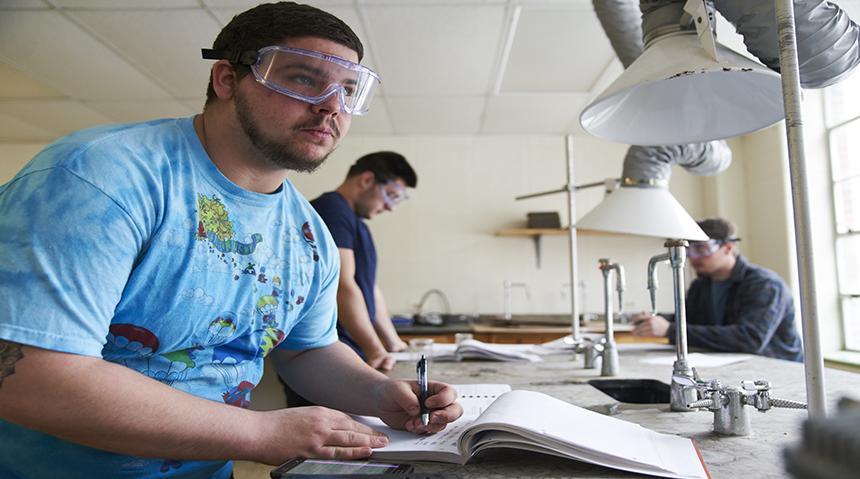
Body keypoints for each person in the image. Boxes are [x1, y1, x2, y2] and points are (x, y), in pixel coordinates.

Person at [0, 3, 462, 478]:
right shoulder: (100, 177)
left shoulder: (309, 235)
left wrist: (380, 393)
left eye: (348, 89)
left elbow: (306, 351)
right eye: (304, 78)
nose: (331, 105)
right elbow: (28, 378)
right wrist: (260, 433)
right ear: (227, 79)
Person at [631, 217, 804, 362]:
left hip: (777, 370)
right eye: (689, 250)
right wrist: (656, 320)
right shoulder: (701, 285)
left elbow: (750, 338)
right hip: (732, 367)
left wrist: (669, 329)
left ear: (728, 248)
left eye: (701, 249)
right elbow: (692, 322)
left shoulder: (765, 284)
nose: (693, 258)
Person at [313, 152, 416, 371]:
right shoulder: (331, 210)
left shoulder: (356, 223)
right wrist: (374, 349)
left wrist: (393, 343)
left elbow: (368, 287)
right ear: (367, 180)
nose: (391, 207)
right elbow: (343, 284)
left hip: (351, 348)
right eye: (391, 195)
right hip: (329, 351)